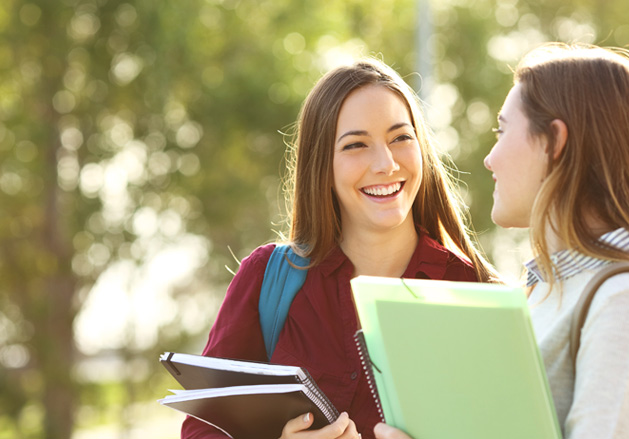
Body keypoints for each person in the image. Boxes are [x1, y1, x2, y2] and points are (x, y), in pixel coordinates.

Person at [374, 44, 629, 439]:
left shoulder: (626, 298)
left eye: (502, 131)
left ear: (554, 141)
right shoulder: (545, 290)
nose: (490, 158)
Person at [181, 58, 498, 439]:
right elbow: (203, 430)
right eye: (356, 145)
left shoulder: (477, 294)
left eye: (400, 137)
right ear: (322, 166)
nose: (385, 163)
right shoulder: (269, 278)